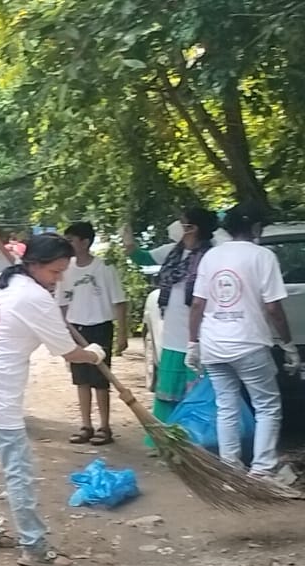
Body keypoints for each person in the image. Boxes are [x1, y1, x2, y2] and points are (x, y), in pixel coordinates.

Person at [0, 234, 106, 566]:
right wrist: (92, 354)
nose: (58, 279)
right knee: (18, 466)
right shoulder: (34, 296)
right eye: (55, 271)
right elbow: (67, 352)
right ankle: (34, 547)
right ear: (33, 264)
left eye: (62, 272)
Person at [189, 204, 298, 483]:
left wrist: (194, 343)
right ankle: (261, 469)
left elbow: (198, 304)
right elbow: (273, 308)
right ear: (256, 228)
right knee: (267, 405)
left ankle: (230, 468)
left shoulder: (212, 256)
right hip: (248, 342)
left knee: (227, 405)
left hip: (213, 345)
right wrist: (288, 345)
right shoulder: (263, 256)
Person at [124, 208, 221, 420]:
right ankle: (167, 441)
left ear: (192, 228)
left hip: (200, 336)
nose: (177, 225)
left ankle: (193, 439)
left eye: (182, 222)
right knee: (168, 393)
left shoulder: (212, 255)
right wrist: (128, 242)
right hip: (172, 333)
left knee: (196, 392)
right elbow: (142, 258)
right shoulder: (173, 251)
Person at [58, 222, 128, 446]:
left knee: (101, 379)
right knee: (81, 379)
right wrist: (63, 330)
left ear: (85, 242)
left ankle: (104, 426)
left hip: (100, 326)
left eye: (71, 240)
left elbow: (119, 301)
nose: (68, 245)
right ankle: (86, 424)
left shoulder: (104, 268)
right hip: (75, 327)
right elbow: (61, 303)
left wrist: (122, 334)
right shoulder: (65, 269)